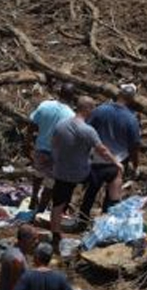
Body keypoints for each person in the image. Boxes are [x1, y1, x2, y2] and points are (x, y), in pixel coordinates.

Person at [49, 96, 114, 246]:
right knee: (109, 173)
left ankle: (55, 233)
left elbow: (54, 144)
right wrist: (116, 162)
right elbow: (102, 150)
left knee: (58, 204)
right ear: (88, 109)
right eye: (92, 108)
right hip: (80, 172)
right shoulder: (87, 130)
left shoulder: (61, 124)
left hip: (61, 171)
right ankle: (102, 215)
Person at [82, 84, 142, 219]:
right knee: (111, 196)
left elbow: (86, 129)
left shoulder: (100, 110)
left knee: (91, 191)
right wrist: (135, 164)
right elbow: (134, 146)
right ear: (132, 99)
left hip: (97, 158)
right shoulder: (131, 120)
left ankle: (82, 220)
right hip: (118, 162)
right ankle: (105, 221)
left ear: (118, 94)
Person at [28, 83, 76, 215]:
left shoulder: (45, 105)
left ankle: (33, 197)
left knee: (38, 175)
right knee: (50, 184)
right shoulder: (71, 115)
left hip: (40, 148)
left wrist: (27, 143)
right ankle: (41, 210)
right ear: (72, 97)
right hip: (57, 154)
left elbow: (32, 124)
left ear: (59, 93)